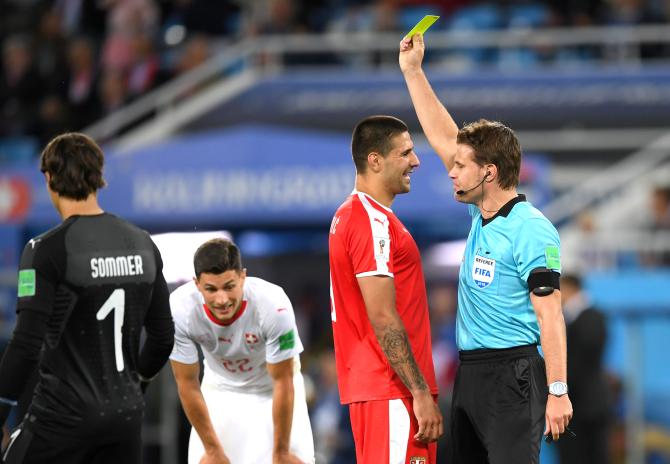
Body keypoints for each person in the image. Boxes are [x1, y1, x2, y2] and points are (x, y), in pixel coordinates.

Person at [399, 34, 573, 463]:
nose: (451, 172)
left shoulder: (532, 230)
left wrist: (558, 391)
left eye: (461, 167)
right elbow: (444, 136)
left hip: (514, 374)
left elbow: (550, 313)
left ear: (489, 173)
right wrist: (413, 72)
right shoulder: (481, 215)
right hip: (471, 372)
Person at [0, 132, 175, 464]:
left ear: (49, 179)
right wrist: (135, 386)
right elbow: (163, 337)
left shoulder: (46, 250)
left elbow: (25, 346)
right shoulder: (143, 243)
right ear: (98, 178)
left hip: (62, 419)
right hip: (124, 420)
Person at [328, 115, 442, 463]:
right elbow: (381, 315)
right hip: (391, 389)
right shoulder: (369, 221)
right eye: (405, 152)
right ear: (375, 160)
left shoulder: (361, 216)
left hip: (385, 389)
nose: (416, 161)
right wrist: (419, 392)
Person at [169, 238, 314, 464]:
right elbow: (187, 384)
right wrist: (213, 450)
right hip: (220, 389)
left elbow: (283, 381)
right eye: (211, 289)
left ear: (242, 277)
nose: (222, 299)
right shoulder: (180, 309)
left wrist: (281, 452)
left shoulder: (274, 306)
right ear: (197, 284)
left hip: (272, 390)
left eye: (229, 286)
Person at [557, 274, 610, 464]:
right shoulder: (580, 318)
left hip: (585, 408)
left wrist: (556, 387)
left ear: (569, 288)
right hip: (580, 406)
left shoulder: (590, 318)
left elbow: (581, 362)